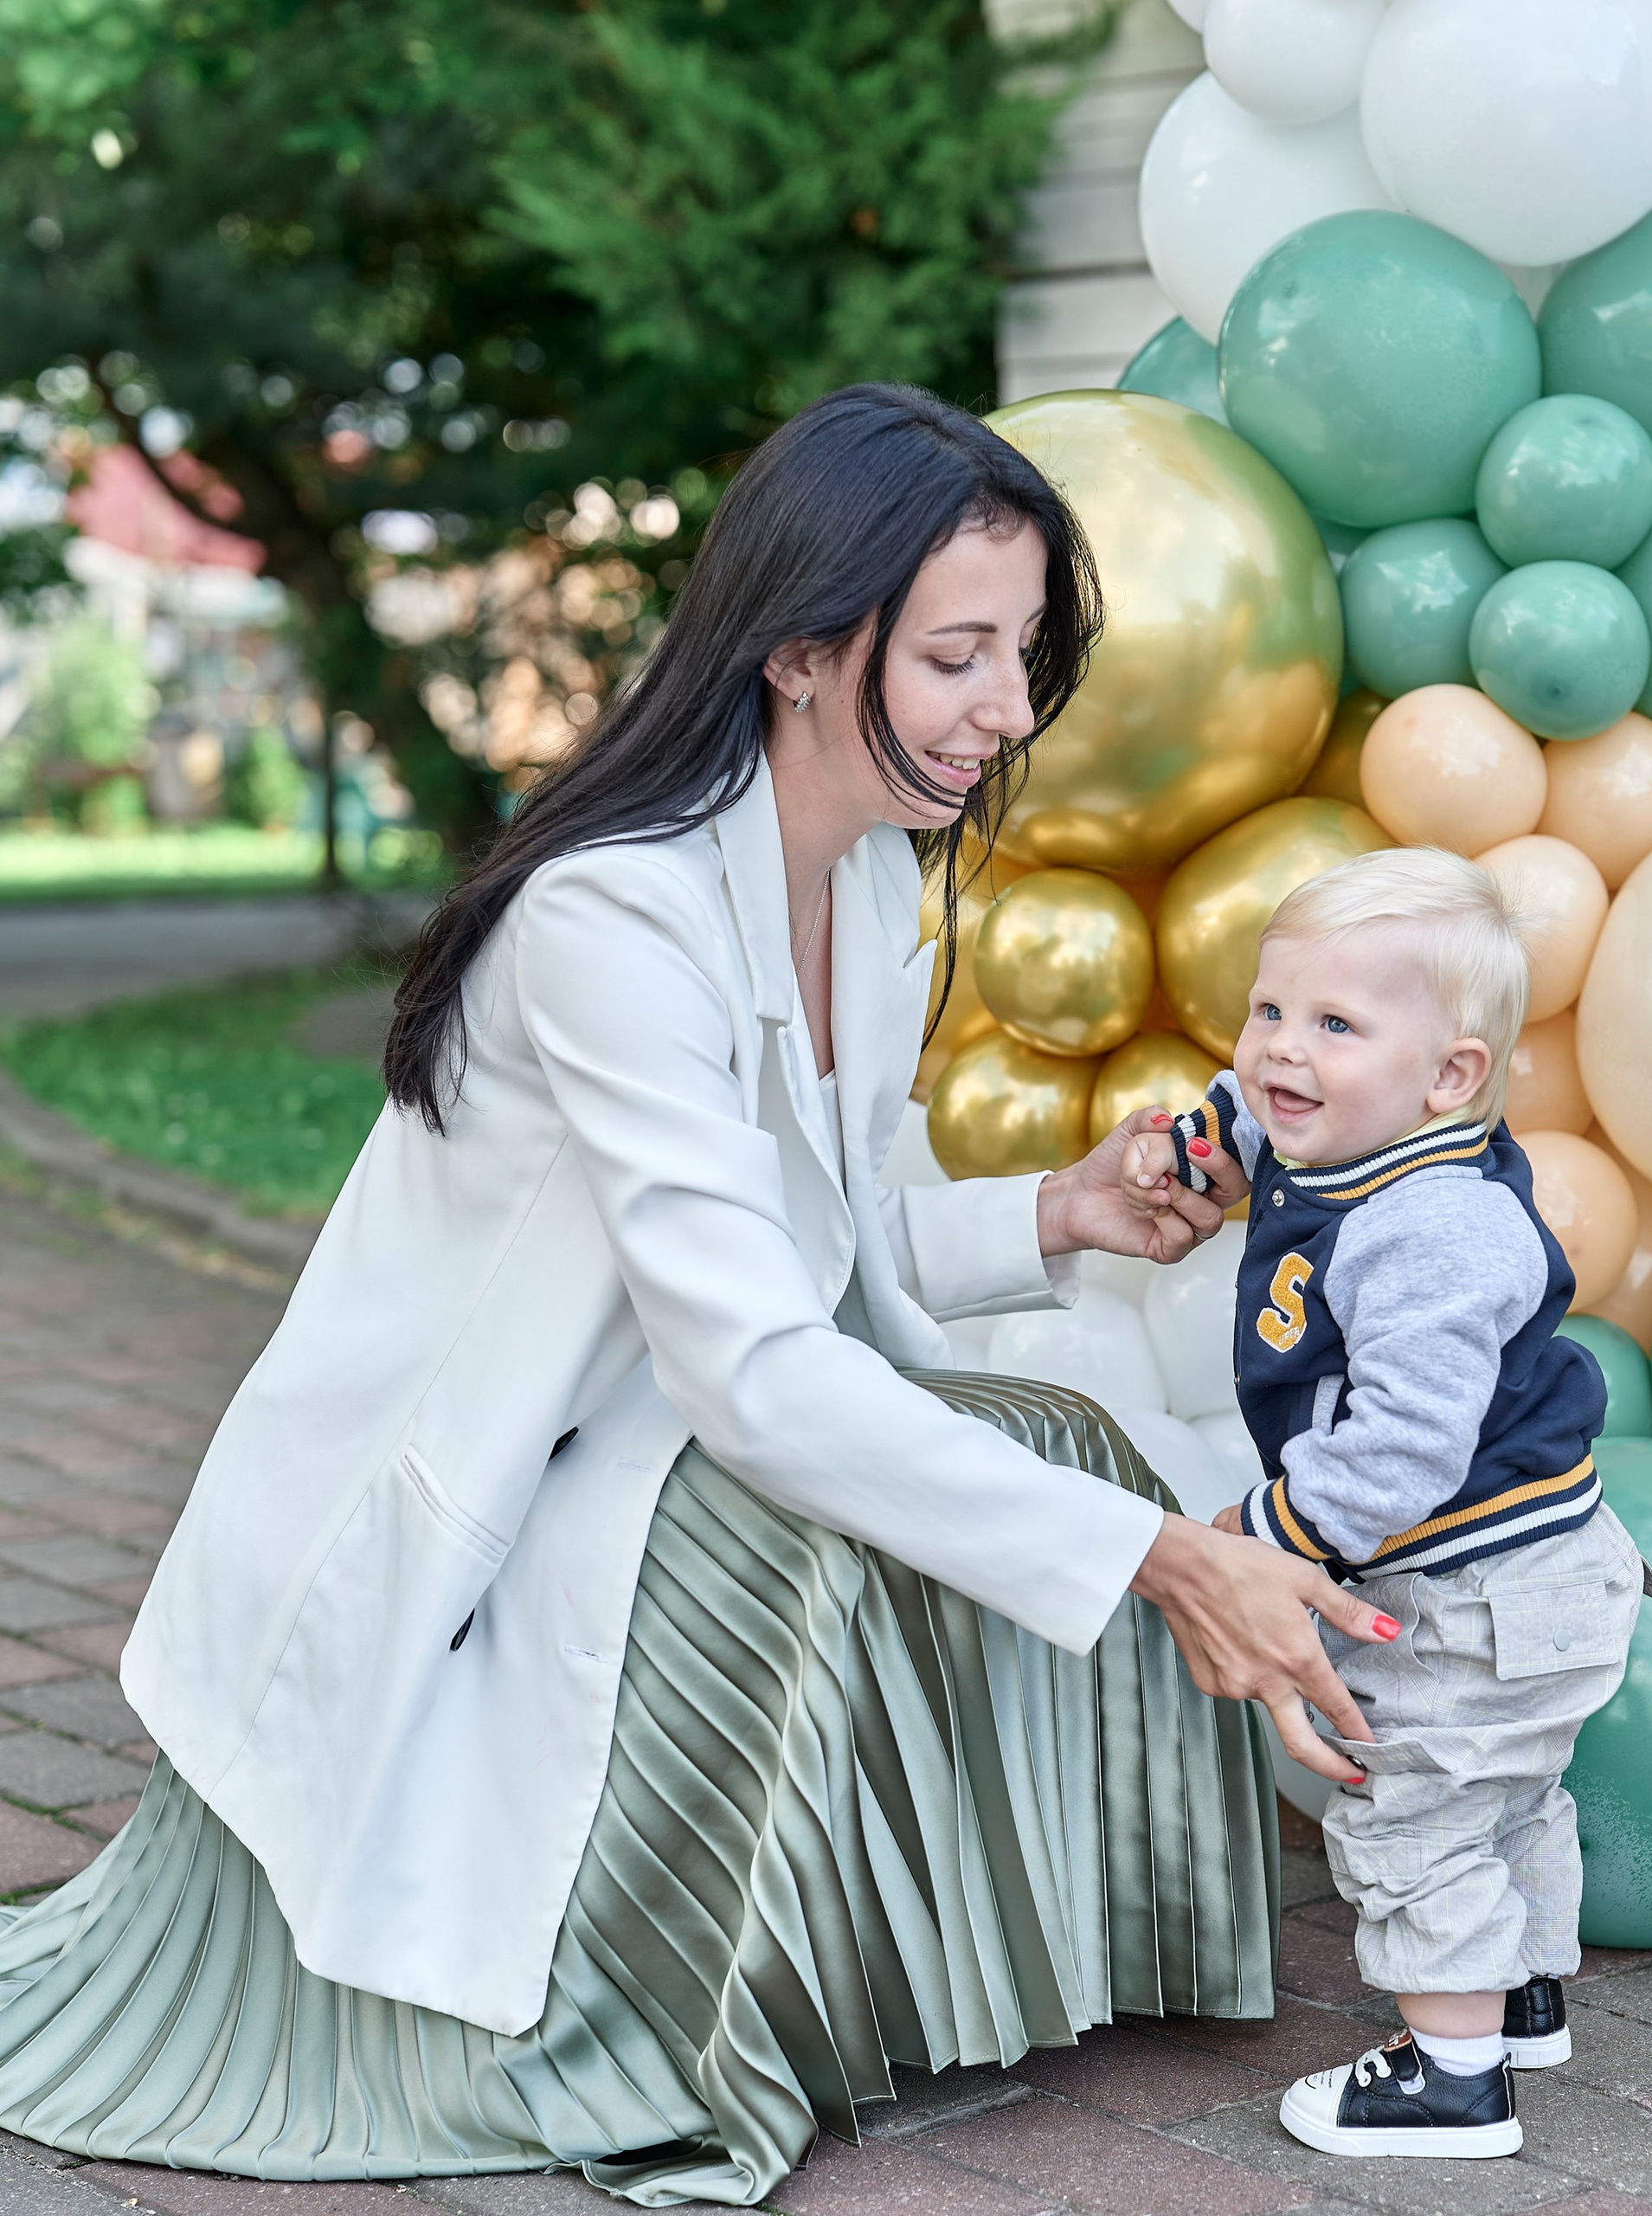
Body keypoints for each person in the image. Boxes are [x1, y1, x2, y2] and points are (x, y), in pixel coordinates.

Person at [0, 384, 1392, 2207]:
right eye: (961, 654)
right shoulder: (611, 917)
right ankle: (669, 2001)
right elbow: (756, 1369)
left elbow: (831, 1240)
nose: (1010, 709)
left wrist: (1057, 1209)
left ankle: (1003, 1971)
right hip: (489, 1496)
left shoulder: (867, 881)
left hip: (662, 1418)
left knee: (1060, 1434)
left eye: (1026, 652)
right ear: (807, 649)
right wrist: (1169, 1561)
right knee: (881, 1525)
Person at [1122, 847, 1649, 2161]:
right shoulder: (1370, 1124)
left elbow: (1407, 1448)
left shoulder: (1432, 1228)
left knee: (1411, 1798)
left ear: (1451, 1076)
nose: (1281, 1053)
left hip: (1475, 1592)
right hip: (1541, 1571)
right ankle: (1516, 1996)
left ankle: (1455, 2078)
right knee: (1509, 1797)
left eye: (1334, 1026)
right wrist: (1201, 1141)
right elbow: (1263, 1116)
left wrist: (1264, 1535)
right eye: (1270, 1011)